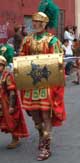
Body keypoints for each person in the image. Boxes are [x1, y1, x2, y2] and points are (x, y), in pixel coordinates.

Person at [19, 0, 66, 161]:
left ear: (45, 24)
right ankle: (41, 135)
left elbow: (58, 63)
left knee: (46, 116)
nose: (35, 24)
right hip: (31, 85)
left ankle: (46, 146)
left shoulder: (53, 41)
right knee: (35, 116)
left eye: (39, 22)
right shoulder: (27, 40)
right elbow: (22, 57)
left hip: (46, 86)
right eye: (34, 22)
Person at [0, 56, 29, 149]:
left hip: (6, 102)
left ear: (3, 66)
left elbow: (12, 91)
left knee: (11, 121)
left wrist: (12, 106)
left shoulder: (7, 75)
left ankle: (15, 138)